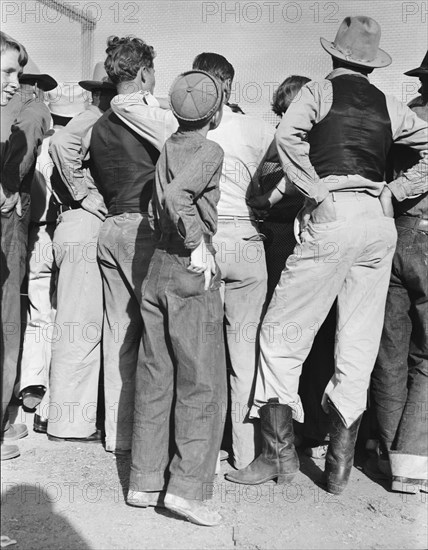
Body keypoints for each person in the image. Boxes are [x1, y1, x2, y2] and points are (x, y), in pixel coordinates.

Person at [226, 16, 428, 495]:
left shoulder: (317, 92)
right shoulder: (391, 104)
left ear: (334, 55)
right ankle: (337, 467)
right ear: (372, 65)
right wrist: (395, 191)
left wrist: (315, 190)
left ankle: (278, 456)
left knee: (280, 334)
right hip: (379, 225)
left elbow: (287, 139)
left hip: (333, 218)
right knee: (357, 342)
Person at [111, 52, 275, 470]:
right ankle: (242, 453)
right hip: (233, 241)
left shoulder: (171, 133)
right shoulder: (255, 129)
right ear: (226, 92)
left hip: (184, 249)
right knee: (239, 354)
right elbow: (279, 176)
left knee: (164, 365)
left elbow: (162, 195)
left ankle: (149, 471)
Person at [127, 70, 226, 527]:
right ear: (216, 111)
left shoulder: (169, 145)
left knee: (155, 372)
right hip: (188, 265)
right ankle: (186, 490)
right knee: (201, 382)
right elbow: (176, 194)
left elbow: (158, 198)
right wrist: (197, 243)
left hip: (157, 268)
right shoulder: (210, 149)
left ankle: (144, 481)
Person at [249, 75, 333, 453]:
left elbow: (268, 194)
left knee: (297, 338)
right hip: (281, 241)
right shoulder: (283, 145)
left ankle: (305, 428)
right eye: (281, 112)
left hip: (295, 242)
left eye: (289, 111)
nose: (284, 118)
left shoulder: (304, 148)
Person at [91, 36, 159, 453]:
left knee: (119, 333)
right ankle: (152, 438)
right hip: (144, 228)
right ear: (145, 72)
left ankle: (119, 436)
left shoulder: (99, 126)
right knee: (156, 331)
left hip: (111, 225)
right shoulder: (148, 116)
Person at [47, 65, 116, 442]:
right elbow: (61, 145)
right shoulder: (90, 119)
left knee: (79, 321)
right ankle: (69, 425)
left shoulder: (96, 120)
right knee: (79, 325)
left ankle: (66, 418)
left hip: (78, 226)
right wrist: (83, 193)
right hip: (81, 223)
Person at [370, 50, 428, 494]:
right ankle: (411, 461)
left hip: (394, 235)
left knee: (391, 350)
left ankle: (387, 450)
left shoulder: (405, 118)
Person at [19, 82, 87, 436]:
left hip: (36, 233)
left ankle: (31, 381)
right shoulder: (76, 145)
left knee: (38, 315)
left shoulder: (36, 144)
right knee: (66, 317)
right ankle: (52, 404)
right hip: (69, 230)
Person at [1, 33, 51, 461]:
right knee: (7, 320)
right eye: (8, 71)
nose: (15, 81)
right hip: (12, 219)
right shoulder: (30, 107)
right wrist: (11, 185)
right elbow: (33, 130)